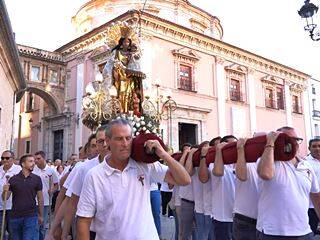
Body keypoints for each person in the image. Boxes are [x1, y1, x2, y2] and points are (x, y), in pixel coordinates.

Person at [76, 118, 191, 240]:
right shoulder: (94, 176)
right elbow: (83, 220)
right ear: (108, 141)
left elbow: (184, 180)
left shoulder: (144, 165)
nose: (125, 144)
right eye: (119, 139)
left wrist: (163, 154)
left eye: (128, 138)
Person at [257, 127, 320, 239]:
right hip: (273, 233)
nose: (294, 143)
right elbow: (265, 173)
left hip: (304, 232)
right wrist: (270, 142)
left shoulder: (306, 165)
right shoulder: (268, 161)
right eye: (288, 139)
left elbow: (315, 196)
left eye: (296, 139)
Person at [2, 154, 43, 240]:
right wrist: (5, 190)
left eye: (33, 161)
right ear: (23, 164)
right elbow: (5, 198)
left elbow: (40, 198)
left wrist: (40, 215)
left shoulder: (37, 179)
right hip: (15, 216)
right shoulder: (13, 179)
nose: (33, 163)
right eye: (30, 161)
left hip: (31, 215)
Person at [233, 138, 259, 240]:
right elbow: (242, 175)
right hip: (245, 219)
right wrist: (240, 149)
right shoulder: (244, 162)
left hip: (263, 221)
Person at [33, 151, 59, 240]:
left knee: (42, 225)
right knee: (34, 224)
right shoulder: (33, 169)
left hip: (45, 202)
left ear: (44, 158)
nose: (36, 161)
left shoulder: (51, 170)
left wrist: (52, 190)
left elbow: (56, 185)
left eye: (38, 159)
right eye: (35, 159)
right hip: (33, 201)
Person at [0, 150, 21, 240]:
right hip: (1, 206)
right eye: (2, 158)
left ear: (13, 159)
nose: (5, 160)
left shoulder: (19, 170)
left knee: (13, 232)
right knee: (1, 231)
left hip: (13, 207)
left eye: (7, 158)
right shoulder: (0, 169)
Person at [307, 137, 320, 235]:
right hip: (311, 207)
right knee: (312, 232)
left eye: (319, 146)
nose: (317, 148)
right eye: (314, 146)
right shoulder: (305, 163)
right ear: (309, 148)